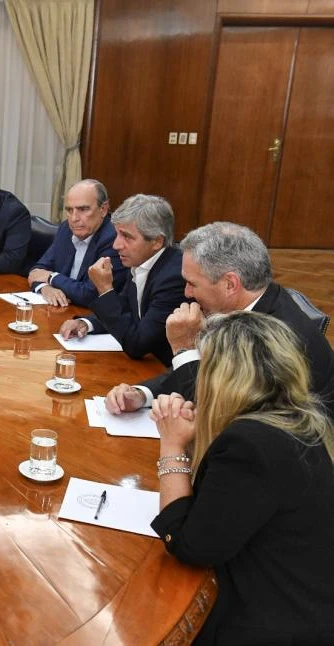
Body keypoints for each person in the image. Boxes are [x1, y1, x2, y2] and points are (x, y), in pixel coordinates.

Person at [149, 311, 334, 643]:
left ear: (222, 378)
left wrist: (172, 444)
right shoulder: (295, 420)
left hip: (269, 623)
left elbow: (190, 546)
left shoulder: (250, 445)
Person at [106, 221, 334, 417]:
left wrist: (184, 349)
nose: (186, 293)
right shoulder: (244, 306)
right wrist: (141, 394)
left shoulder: (276, 337)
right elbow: (207, 370)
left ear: (230, 284)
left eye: (192, 283)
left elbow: (214, 408)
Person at [59, 195, 185, 366]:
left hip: (161, 370)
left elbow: (137, 344)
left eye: (127, 237)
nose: (116, 245)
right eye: (117, 234)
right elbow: (125, 308)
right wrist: (86, 323)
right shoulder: (140, 259)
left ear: (157, 241)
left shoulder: (174, 277)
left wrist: (105, 289)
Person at [27, 179, 126, 307]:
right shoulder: (66, 229)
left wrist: (52, 277)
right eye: (69, 210)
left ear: (103, 209)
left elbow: (90, 295)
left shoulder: (114, 239)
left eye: (83, 209)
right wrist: (45, 288)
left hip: (93, 318)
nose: (74, 218)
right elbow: (37, 271)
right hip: (62, 310)